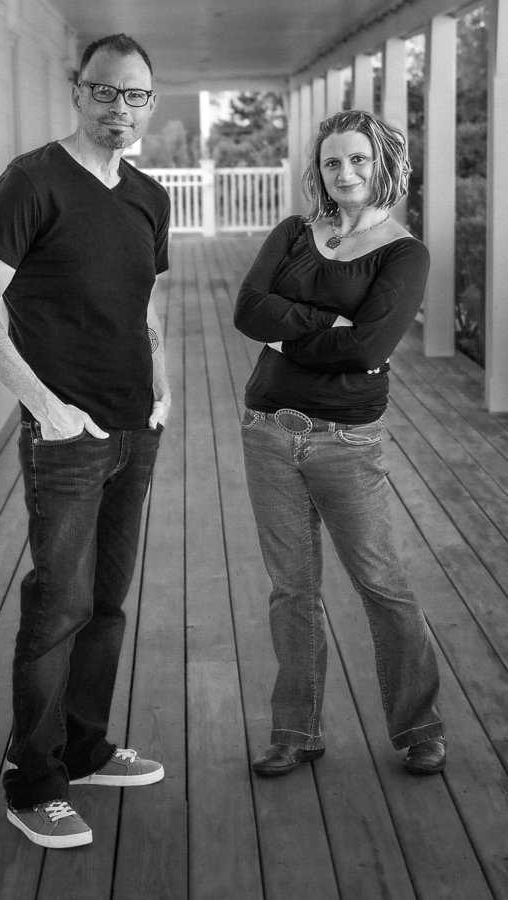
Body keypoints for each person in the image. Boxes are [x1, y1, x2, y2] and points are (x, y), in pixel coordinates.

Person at [0, 33, 171, 848]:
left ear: (153, 100)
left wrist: (162, 387)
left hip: (133, 431)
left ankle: (83, 750)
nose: (121, 108)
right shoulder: (31, 181)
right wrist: (46, 406)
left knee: (105, 605)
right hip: (67, 434)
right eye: (106, 92)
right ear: (78, 92)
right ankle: (32, 781)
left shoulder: (149, 196)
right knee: (57, 608)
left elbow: (148, 306)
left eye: (136, 95)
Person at [234, 110, 446, 778]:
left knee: (382, 584)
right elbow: (247, 311)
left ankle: (418, 727)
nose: (344, 173)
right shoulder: (294, 232)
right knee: (290, 590)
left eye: (358, 159)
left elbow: (371, 347)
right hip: (269, 432)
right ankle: (295, 731)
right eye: (332, 162)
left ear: (382, 165)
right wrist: (332, 322)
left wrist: (289, 331)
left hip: (347, 442)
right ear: (319, 170)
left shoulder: (404, 252)